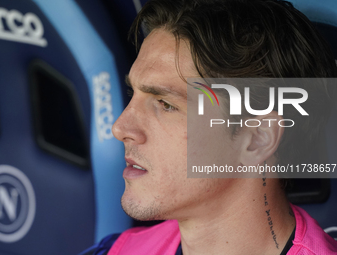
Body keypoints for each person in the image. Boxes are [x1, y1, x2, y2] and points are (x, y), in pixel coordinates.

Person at [80, 0, 337, 254]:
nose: (120, 128)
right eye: (132, 94)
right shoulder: (118, 250)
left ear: (258, 138)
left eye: (165, 104)